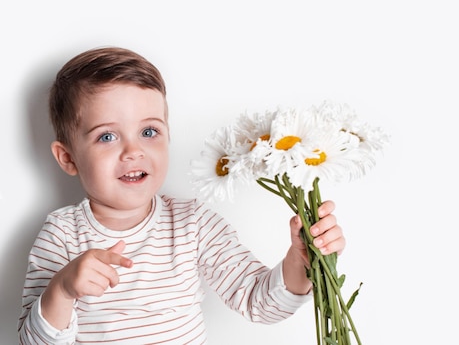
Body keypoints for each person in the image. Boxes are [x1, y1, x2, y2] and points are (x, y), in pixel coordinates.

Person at [18, 47, 346, 344]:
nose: (133, 151)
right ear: (68, 158)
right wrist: (62, 289)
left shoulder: (192, 223)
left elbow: (259, 303)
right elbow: (33, 341)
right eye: (107, 136)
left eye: (149, 132)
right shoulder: (61, 234)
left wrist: (301, 260)